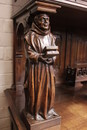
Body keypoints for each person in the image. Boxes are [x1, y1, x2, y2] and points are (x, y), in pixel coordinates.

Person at [24, 13, 58, 120]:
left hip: (49, 68)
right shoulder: (30, 35)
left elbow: (55, 51)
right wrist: (39, 57)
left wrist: (52, 58)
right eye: (42, 19)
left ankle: (48, 110)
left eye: (47, 19)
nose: (46, 22)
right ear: (36, 21)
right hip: (36, 69)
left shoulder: (51, 36)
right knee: (36, 91)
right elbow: (29, 53)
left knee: (49, 90)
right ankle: (35, 111)